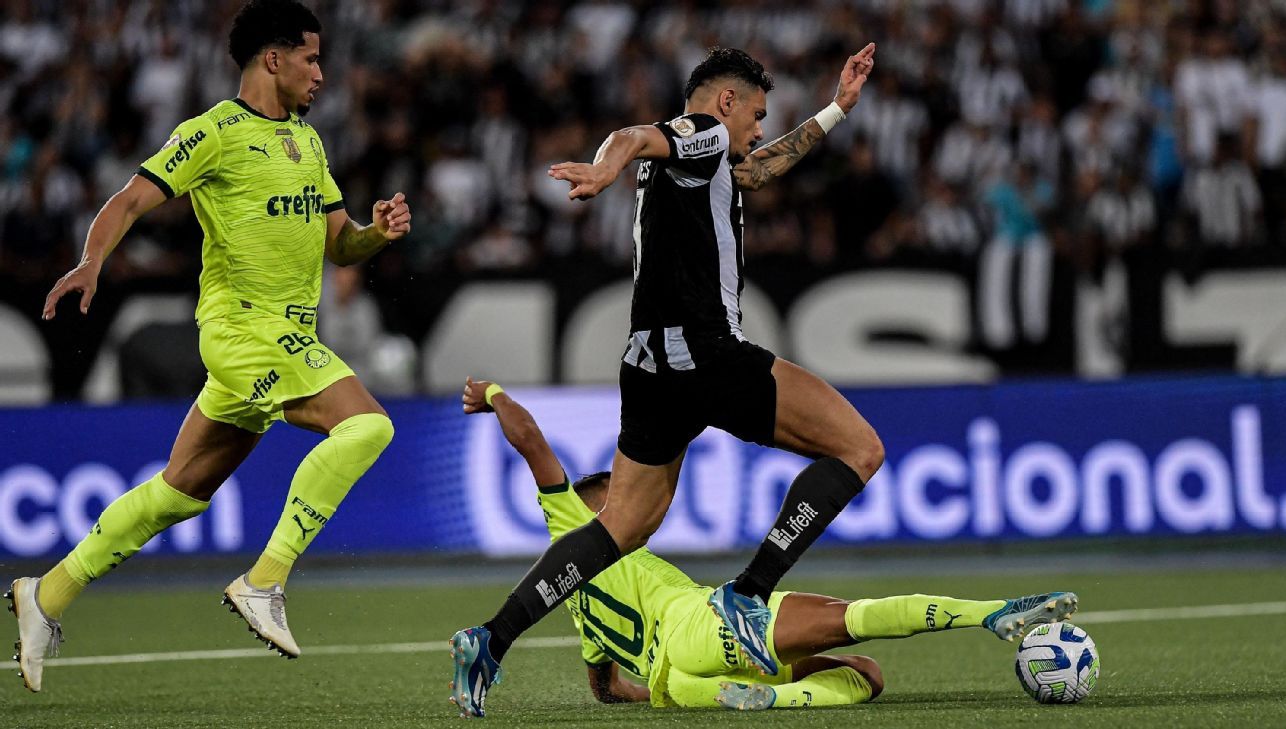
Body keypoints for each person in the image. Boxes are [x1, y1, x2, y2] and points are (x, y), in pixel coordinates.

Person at [450, 44, 887, 719]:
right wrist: (604, 166)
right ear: (725, 102)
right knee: (859, 449)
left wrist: (835, 109)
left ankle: (491, 637)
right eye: (757, 114)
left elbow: (758, 171)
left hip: (648, 366)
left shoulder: (707, 160)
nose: (758, 130)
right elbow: (634, 135)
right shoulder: (702, 131)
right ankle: (750, 591)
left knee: (619, 526)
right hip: (705, 351)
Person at [6, 0, 410, 693]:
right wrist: (92, 258)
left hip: (278, 339)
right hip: (244, 330)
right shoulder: (214, 133)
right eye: (311, 58)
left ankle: (46, 594)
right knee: (369, 424)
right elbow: (132, 198)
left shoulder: (309, 143)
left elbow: (339, 243)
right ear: (272, 59)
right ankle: (265, 579)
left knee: (179, 492)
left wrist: (376, 232)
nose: (321, 73)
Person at [451, 378, 1077, 713]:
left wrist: (658, 689)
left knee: (866, 675)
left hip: (682, 685)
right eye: (613, 492)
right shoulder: (574, 525)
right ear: (592, 501)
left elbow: (604, 688)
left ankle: (765, 698)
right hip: (703, 624)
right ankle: (988, 613)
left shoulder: (579, 606)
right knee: (850, 626)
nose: (628, 500)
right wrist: (495, 393)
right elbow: (530, 439)